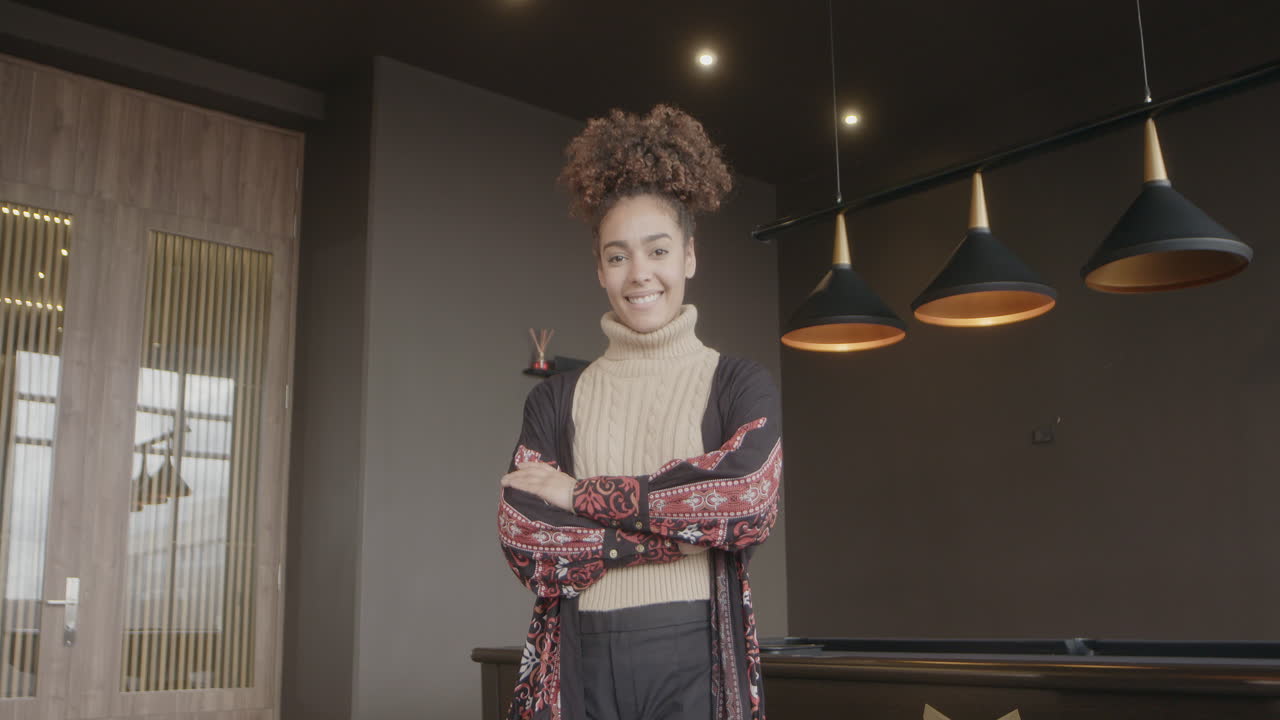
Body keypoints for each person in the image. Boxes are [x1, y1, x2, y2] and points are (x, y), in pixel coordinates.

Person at [497, 105, 782, 720]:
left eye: (658, 250)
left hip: (699, 653)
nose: (640, 274)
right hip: (581, 658)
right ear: (599, 270)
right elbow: (526, 536)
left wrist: (578, 494)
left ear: (688, 257)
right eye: (618, 256)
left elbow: (745, 501)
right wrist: (675, 539)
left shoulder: (737, 383)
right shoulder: (554, 398)